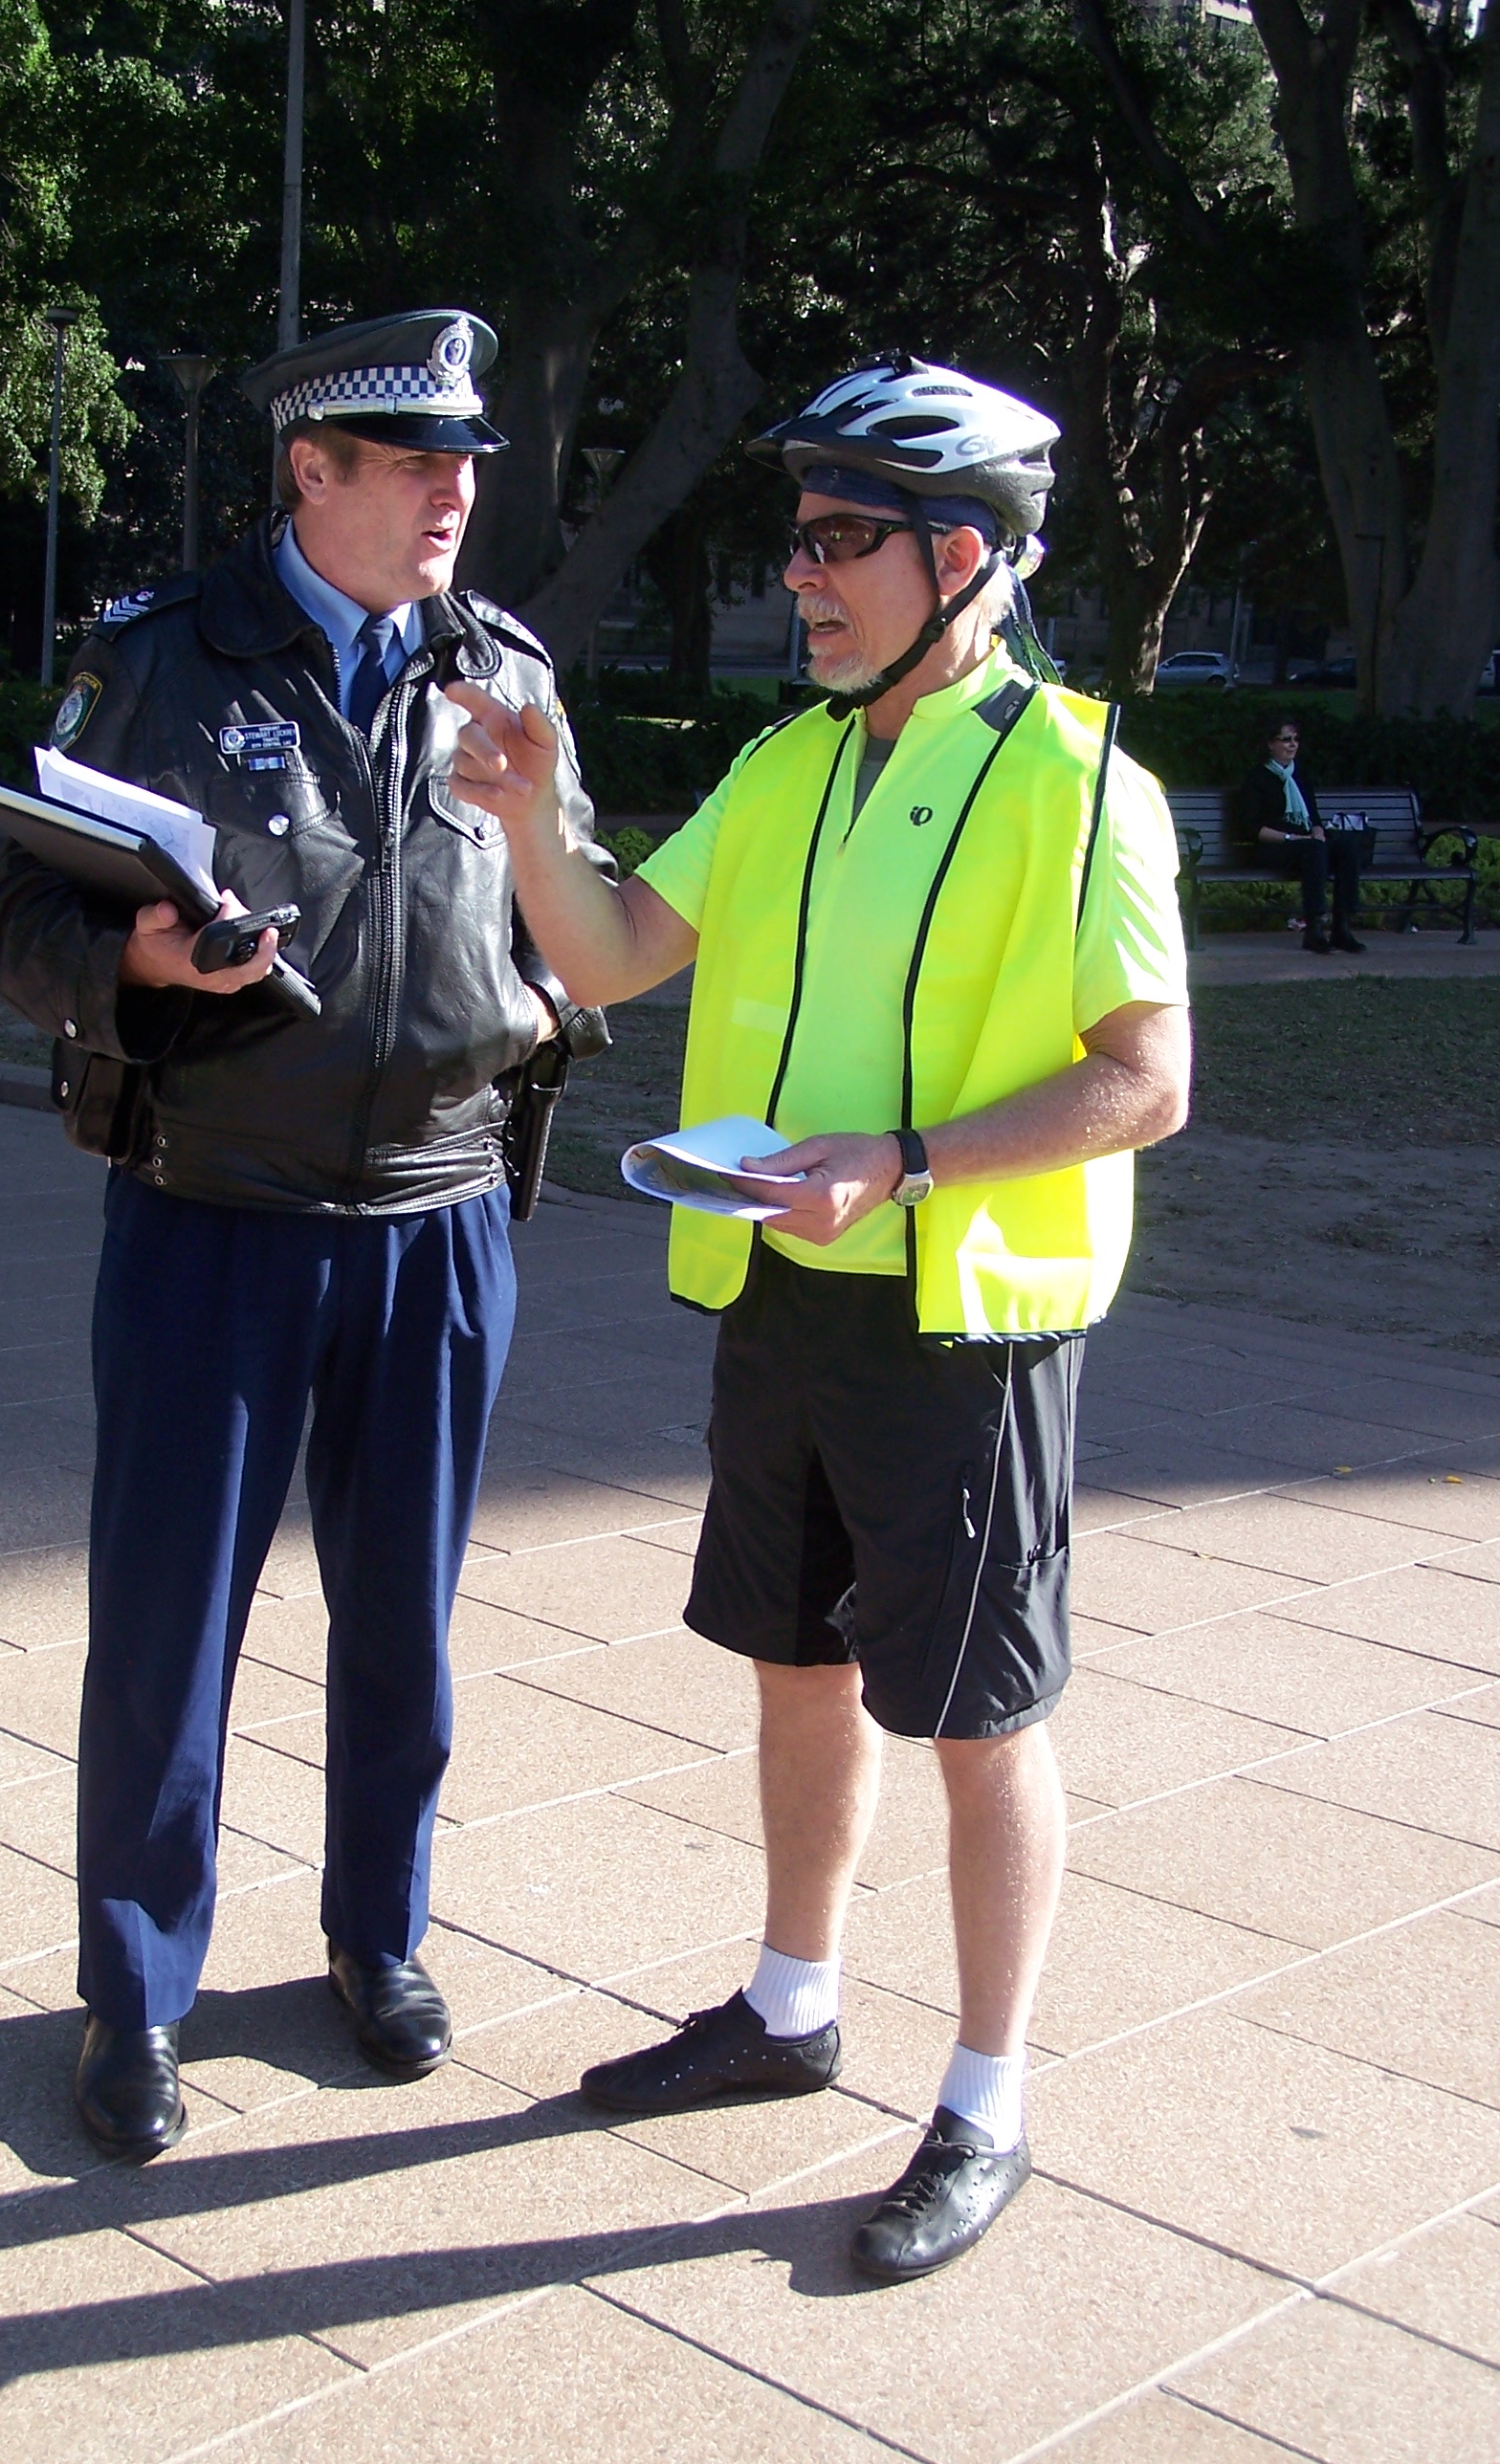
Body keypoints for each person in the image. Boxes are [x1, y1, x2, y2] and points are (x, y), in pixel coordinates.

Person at [446, 354, 1191, 2284]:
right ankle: (790, 2007)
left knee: (975, 1711)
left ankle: (990, 2100)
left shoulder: (1082, 785)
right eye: (797, 538)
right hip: (780, 1290)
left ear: (964, 554)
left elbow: (1147, 1079)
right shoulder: (790, 763)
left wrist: (917, 1158)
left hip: (962, 1321)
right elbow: (610, 949)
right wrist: (537, 815)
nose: (802, 575)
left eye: (840, 538)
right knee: (792, 1661)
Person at [0, 310, 609, 2161]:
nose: (452, 494)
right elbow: (18, 923)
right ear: (307, 472)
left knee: (404, 1616)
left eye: (465, 464)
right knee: (169, 1626)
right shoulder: (163, 660)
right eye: (412, 462)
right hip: (214, 1212)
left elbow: (568, 902)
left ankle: (376, 1937)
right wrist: (128, 965)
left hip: (440, 1210)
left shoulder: (500, 668)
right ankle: (134, 1992)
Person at [1229, 717, 1365, 954]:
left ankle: (1342, 928)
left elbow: (1313, 817)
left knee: (1345, 846)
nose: (1292, 744)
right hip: (1273, 847)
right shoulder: (1257, 779)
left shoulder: (1299, 776)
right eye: (1286, 739)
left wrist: (1317, 831)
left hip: (1307, 847)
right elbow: (1253, 830)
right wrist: (1295, 839)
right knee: (1314, 850)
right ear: (1271, 744)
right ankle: (1314, 929)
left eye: (1295, 739)